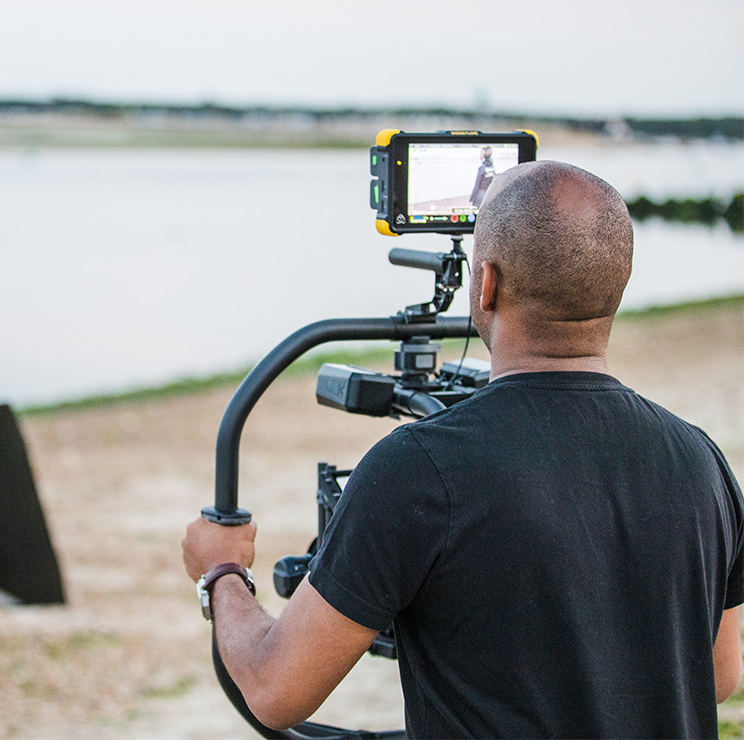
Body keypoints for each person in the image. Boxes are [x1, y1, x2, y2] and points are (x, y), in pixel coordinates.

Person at [183, 161, 743, 737]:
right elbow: (719, 673)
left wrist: (222, 571)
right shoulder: (701, 461)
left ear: (486, 284)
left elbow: (276, 691)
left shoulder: (418, 472)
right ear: (614, 287)